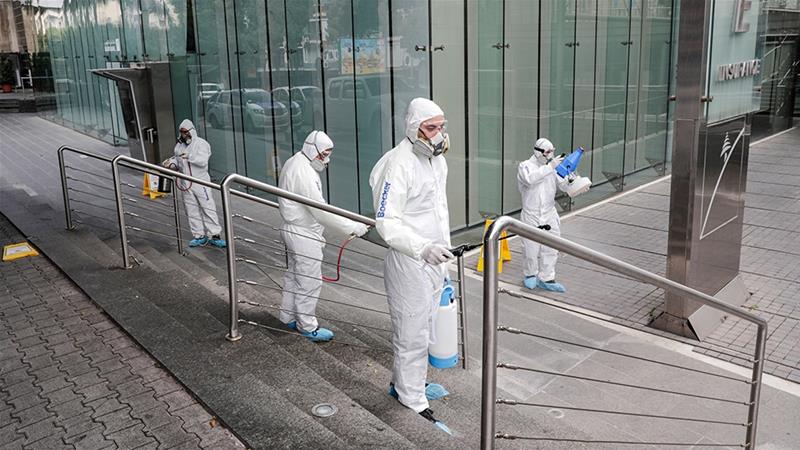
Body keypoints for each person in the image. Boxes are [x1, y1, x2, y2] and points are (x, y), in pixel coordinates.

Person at [369, 98, 453, 426]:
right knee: (411, 333)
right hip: (410, 262)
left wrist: (441, 254)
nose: (438, 135)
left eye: (441, 127)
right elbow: (387, 222)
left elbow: (438, 212)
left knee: (423, 327)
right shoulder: (398, 164)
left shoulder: (435, 161)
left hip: (433, 260)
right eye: (431, 128)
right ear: (413, 128)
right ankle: (411, 397)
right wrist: (422, 248)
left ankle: (408, 382)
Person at [278, 130, 369, 342]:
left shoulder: (296, 163)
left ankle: (288, 315)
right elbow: (321, 211)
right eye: (323, 154)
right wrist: (352, 227)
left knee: (295, 275)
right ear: (313, 149)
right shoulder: (303, 172)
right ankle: (307, 326)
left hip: (296, 230)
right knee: (309, 281)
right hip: (303, 234)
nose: (326, 159)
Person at [517, 137, 570, 293]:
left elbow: (564, 185)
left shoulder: (552, 167)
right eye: (547, 152)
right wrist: (551, 167)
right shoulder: (525, 166)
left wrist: (571, 181)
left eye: (551, 152)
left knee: (552, 247)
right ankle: (530, 275)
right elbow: (530, 180)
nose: (550, 155)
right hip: (531, 214)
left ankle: (547, 277)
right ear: (538, 152)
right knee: (530, 249)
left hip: (549, 213)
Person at [164, 119, 226, 248]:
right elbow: (178, 161)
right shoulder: (179, 146)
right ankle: (199, 235)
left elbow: (203, 161)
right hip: (185, 183)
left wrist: (189, 157)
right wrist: (171, 164)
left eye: (185, 132)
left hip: (200, 182)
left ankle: (214, 235)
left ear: (191, 131)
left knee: (208, 208)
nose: (183, 135)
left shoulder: (201, 144)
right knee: (191, 210)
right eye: (181, 132)